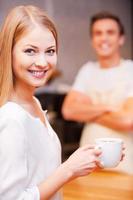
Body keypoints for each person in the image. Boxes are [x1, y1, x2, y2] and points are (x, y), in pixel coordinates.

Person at [0, 5, 104, 200]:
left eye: (50, 51)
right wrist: (69, 169)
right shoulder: (11, 118)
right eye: (30, 51)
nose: (42, 62)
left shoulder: (34, 104)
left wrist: (81, 162)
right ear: (9, 52)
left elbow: (42, 176)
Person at [62, 11, 133, 174]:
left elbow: (128, 120)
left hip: (125, 162)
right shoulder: (87, 71)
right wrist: (110, 107)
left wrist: (88, 111)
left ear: (121, 38)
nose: (104, 38)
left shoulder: (130, 70)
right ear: (93, 40)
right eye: (98, 33)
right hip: (88, 161)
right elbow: (68, 110)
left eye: (110, 32)